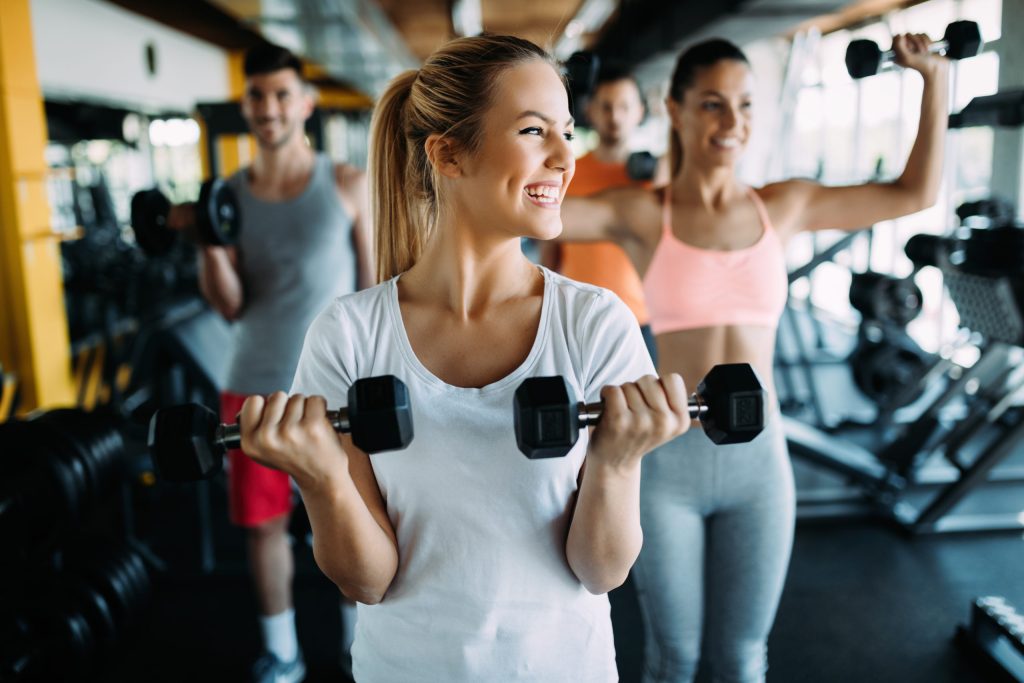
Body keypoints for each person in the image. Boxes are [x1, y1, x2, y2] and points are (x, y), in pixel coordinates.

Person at [235, 34, 691, 682]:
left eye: (567, 130)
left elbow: (602, 569)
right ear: (449, 154)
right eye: (536, 131)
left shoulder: (595, 324)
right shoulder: (348, 336)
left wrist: (617, 460)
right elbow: (368, 579)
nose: (567, 157)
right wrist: (321, 478)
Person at [557, 35, 948, 682]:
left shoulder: (783, 205)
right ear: (675, 110)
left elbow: (913, 193)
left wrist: (933, 80)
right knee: (672, 659)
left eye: (744, 105)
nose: (731, 123)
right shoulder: (642, 214)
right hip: (669, 463)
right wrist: (543, 116)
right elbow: (522, 212)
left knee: (743, 660)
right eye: (712, 104)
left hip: (761, 468)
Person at [171, 43, 374, 683]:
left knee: (346, 521)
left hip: (335, 390)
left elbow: (372, 291)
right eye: (257, 96)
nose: (269, 108)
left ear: (305, 106)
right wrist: (208, 242)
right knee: (262, 530)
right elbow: (230, 306)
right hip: (253, 386)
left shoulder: (345, 184)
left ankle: (356, 650)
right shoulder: (227, 197)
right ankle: (282, 654)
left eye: (282, 95)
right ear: (246, 105)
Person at [540, 65, 659, 360]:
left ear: (640, 112)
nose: (615, 116)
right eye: (606, 106)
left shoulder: (656, 180)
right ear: (590, 110)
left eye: (624, 106)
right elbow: (550, 250)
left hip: (641, 320)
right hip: (578, 318)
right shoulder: (567, 171)